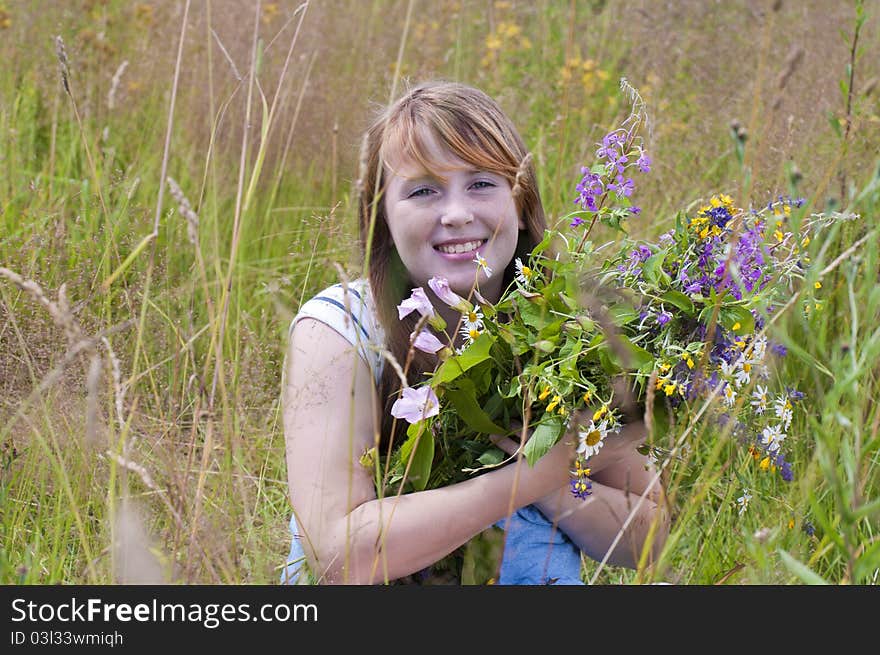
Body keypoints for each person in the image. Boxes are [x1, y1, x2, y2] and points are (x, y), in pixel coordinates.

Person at [281, 80, 668, 585]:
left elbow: (652, 536)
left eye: (483, 182)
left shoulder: (571, 334)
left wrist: (558, 487)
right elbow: (340, 558)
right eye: (423, 190)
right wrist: (527, 478)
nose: (458, 213)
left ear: (521, 201)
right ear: (383, 218)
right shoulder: (340, 329)